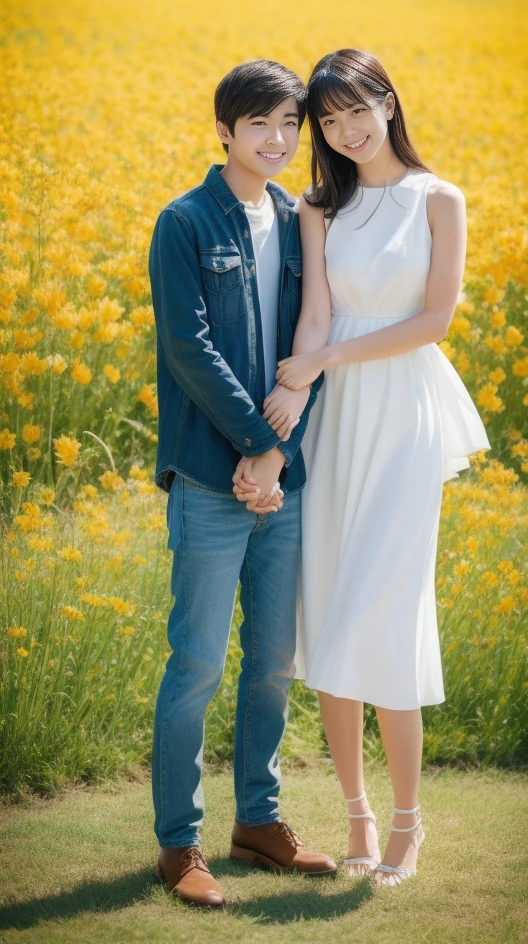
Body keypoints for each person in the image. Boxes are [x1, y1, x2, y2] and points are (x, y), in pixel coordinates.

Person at [271, 49, 490, 886]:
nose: (345, 129)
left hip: (402, 415)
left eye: (357, 109)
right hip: (335, 422)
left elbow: (434, 321)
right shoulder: (320, 206)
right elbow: (315, 312)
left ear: (389, 102)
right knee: (328, 614)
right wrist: (294, 398)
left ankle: (408, 824)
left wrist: (325, 358)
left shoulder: (440, 199)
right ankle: (357, 820)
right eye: (327, 120)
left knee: (386, 610)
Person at [148, 59, 336, 908]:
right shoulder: (183, 221)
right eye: (259, 123)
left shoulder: (302, 220)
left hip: (282, 484)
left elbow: (321, 331)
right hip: (212, 477)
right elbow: (190, 350)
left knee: (272, 666)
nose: (277, 140)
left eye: (290, 126)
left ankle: (258, 822)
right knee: (196, 666)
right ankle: (179, 845)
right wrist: (257, 446)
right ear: (224, 128)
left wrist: (279, 455)